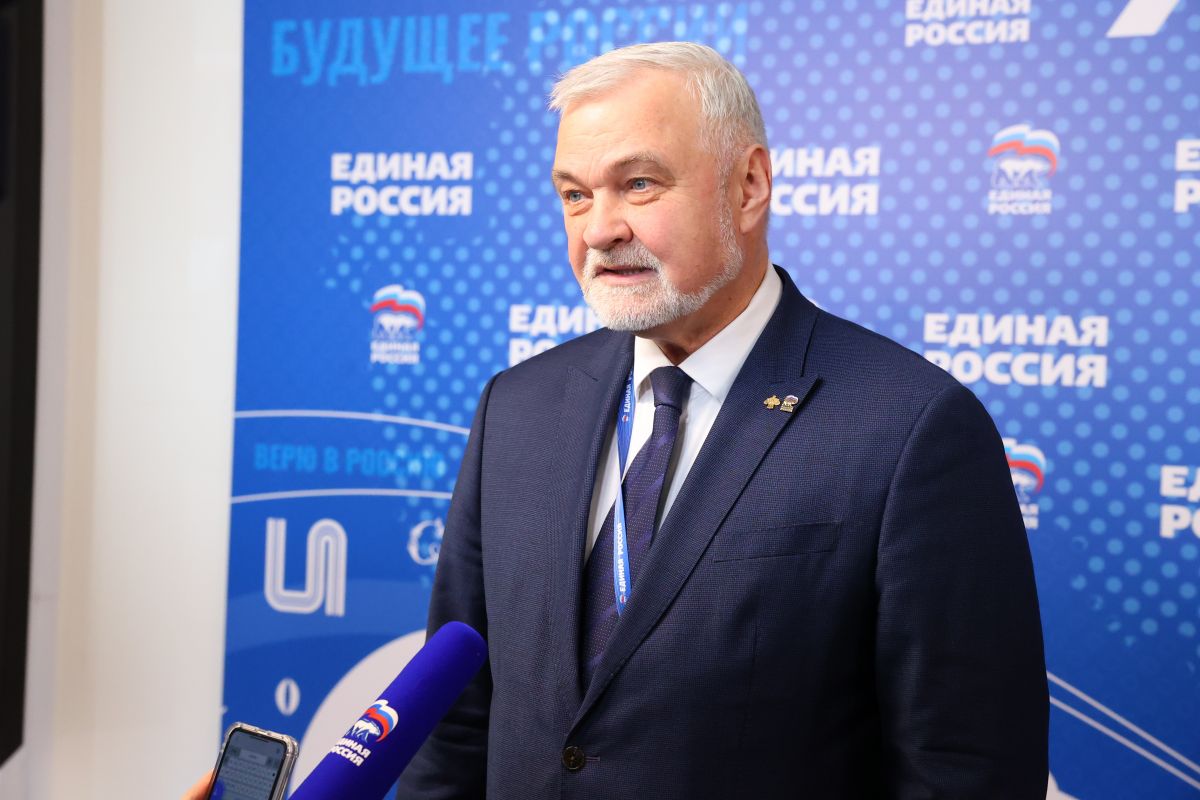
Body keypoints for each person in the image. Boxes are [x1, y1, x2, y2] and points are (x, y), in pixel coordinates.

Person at [183, 41, 1048, 800]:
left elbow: (964, 771)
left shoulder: (909, 428)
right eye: (573, 194)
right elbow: (455, 722)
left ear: (749, 185)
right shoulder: (517, 408)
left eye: (638, 184)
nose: (599, 230)